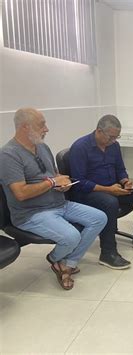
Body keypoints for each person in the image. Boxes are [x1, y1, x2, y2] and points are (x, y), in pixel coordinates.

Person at [0, 108, 107, 290]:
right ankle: (55, 259)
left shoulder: (42, 146)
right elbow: (20, 193)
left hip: (59, 204)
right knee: (71, 236)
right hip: (31, 213)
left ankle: (67, 262)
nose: (47, 129)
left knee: (99, 218)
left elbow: (54, 174)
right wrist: (52, 182)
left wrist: (62, 182)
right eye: (42, 125)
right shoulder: (8, 155)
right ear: (25, 127)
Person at [70, 114, 133, 271]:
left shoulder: (114, 146)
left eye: (116, 137)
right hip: (88, 194)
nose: (113, 141)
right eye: (111, 137)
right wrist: (108, 190)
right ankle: (108, 253)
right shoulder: (80, 147)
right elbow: (78, 182)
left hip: (112, 188)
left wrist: (125, 181)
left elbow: (120, 169)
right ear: (99, 131)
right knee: (110, 202)